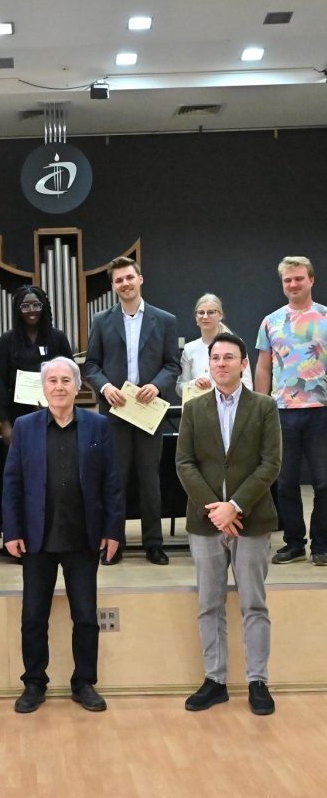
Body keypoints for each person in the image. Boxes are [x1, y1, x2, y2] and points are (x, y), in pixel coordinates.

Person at [2, 357, 124, 714]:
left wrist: (113, 529)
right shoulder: (25, 427)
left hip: (83, 536)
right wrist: (12, 530)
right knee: (33, 617)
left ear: (77, 386)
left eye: (65, 380)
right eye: (52, 380)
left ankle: (84, 682)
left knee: (85, 617)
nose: (58, 386)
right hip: (37, 538)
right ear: (43, 387)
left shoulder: (98, 425)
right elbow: (12, 482)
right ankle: (34, 683)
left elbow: (112, 482)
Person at [176, 333, 281, 716]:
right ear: (209, 364)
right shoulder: (193, 408)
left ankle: (258, 681)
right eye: (216, 358)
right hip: (206, 524)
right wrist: (215, 510)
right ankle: (215, 680)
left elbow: (270, 463)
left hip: (251, 521)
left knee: (254, 604)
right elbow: (184, 463)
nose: (221, 363)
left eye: (229, 357)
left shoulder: (264, 406)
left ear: (243, 364)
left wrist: (235, 507)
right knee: (209, 604)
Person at [85, 256, 180, 565]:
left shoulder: (165, 320)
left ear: (140, 279)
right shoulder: (101, 320)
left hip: (149, 411)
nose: (124, 283)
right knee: (115, 480)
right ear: (113, 286)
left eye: (129, 277)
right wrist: (104, 388)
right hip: (115, 412)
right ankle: (115, 543)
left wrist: (157, 385)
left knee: (150, 480)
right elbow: (91, 364)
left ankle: (154, 543)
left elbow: (172, 364)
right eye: (118, 280)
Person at [255, 256, 327, 566]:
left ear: (311, 279)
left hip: (322, 411)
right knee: (285, 483)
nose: (293, 284)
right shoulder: (271, 321)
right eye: (288, 280)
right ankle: (294, 542)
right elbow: (263, 366)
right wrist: (261, 406)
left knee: (324, 482)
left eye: (299, 278)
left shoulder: (325, 317)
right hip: (282, 412)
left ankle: (322, 544)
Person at [0, 285, 73, 445]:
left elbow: (71, 374)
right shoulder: (7, 340)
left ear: (44, 306)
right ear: (17, 309)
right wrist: (5, 422)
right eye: (25, 306)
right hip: (17, 414)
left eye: (36, 305)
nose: (31, 310)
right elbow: (1, 381)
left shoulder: (57, 337)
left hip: (54, 411)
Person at [176, 293, 253, 398]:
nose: (205, 316)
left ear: (220, 315)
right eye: (201, 312)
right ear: (196, 317)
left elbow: (247, 385)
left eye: (211, 312)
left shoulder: (236, 344)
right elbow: (180, 388)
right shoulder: (189, 348)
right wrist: (194, 383)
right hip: (200, 406)